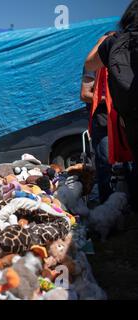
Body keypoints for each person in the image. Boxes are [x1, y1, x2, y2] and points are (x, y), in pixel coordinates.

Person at [85, 0, 138, 210]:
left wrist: (106, 42)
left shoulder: (113, 44)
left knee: (130, 165)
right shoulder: (113, 47)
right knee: (107, 164)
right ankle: (112, 206)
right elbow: (85, 91)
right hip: (106, 120)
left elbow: (89, 60)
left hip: (129, 119)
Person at [80, 65, 112, 204]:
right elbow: (85, 95)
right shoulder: (94, 64)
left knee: (128, 164)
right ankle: (107, 205)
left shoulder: (123, 58)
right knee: (105, 164)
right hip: (103, 121)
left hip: (123, 119)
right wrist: (110, 98)